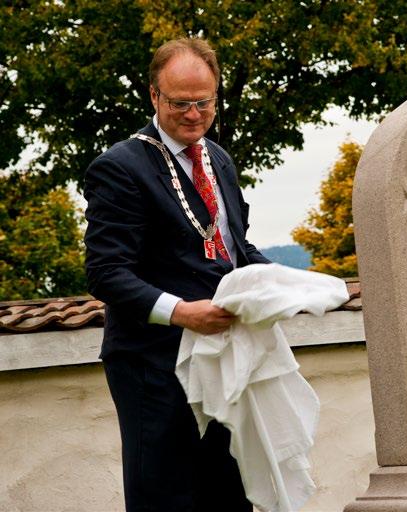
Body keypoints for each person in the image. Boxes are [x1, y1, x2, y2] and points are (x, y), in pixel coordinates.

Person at [84, 37, 268, 511]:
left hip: (222, 359)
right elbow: (106, 273)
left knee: (230, 495)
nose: (193, 114)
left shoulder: (219, 159)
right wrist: (182, 313)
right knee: (166, 499)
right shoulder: (118, 167)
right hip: (152, 365)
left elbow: (234, 248)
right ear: (153, 96)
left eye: (204, 102)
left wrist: (287, 286)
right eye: (180, 103)